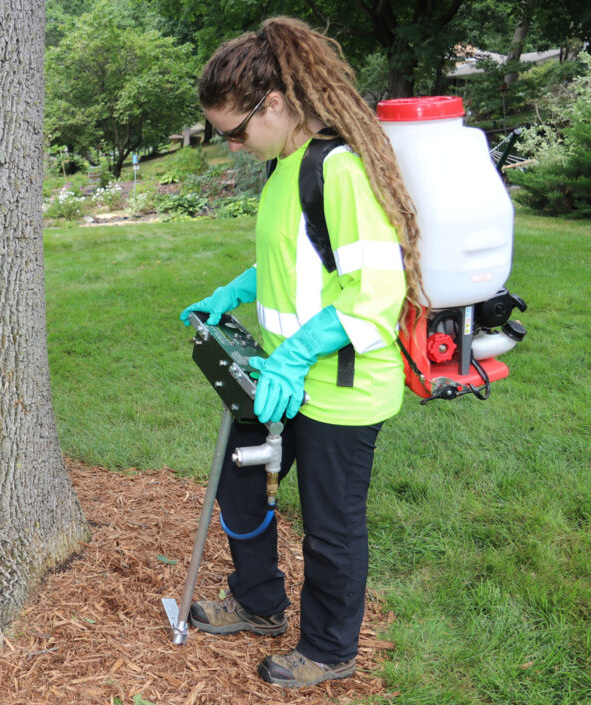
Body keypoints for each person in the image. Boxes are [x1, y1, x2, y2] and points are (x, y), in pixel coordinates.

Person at [178, 17, 424, 689]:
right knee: (239, 481)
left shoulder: (338, 169)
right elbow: (292, 263)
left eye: (234, 130)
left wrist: (293, 359)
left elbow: (375, 290)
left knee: (330, 527)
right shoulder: (283, 167)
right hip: (285, 378)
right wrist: (232, 293)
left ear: (276, 104)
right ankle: (257, 602)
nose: (231, 145)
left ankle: (328, 645)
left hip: (339, 389)